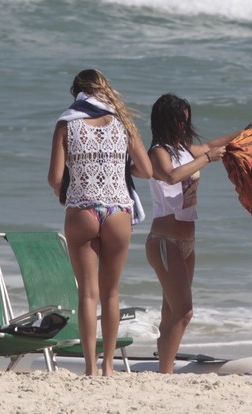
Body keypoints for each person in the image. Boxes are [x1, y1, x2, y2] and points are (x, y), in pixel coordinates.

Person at [145, 93, 252, 374]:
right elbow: (172, 176)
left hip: (187, 242)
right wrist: (208, 159)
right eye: (180, 120)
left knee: (170, 314)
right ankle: (166, 373)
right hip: (164, 241)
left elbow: (212, 145)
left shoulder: (184, 149)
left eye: (187, 120)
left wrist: (246, 131)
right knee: (184, 312)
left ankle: (163, 369)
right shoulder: (158, 152)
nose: (185, 125)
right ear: (166, 121)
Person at [48, 69, 153, 376]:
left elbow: (54, 178)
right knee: (111, 292)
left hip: (81, 209)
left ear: (76, 92)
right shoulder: (123, 122)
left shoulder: (66, 123)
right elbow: (146, 170)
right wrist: (118, 165)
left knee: (87, 293)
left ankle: (90, 367)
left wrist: (67, 186)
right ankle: (109, 365)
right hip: (118, 210)